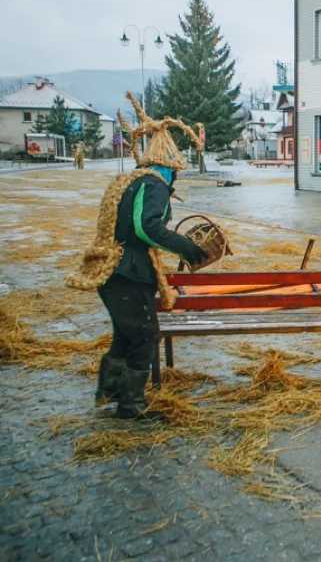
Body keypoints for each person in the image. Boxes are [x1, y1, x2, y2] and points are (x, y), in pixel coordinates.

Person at [65, 92, 207, 421]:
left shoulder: (129, 180)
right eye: (176, 172)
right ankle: (130, 405)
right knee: (145, 335)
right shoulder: (154, 184)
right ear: (169, 168)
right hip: (128, 275)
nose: (175, 179)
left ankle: (111, 392)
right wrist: (185, 246)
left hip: (112, 272)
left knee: (125, 335)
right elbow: (145, 228)